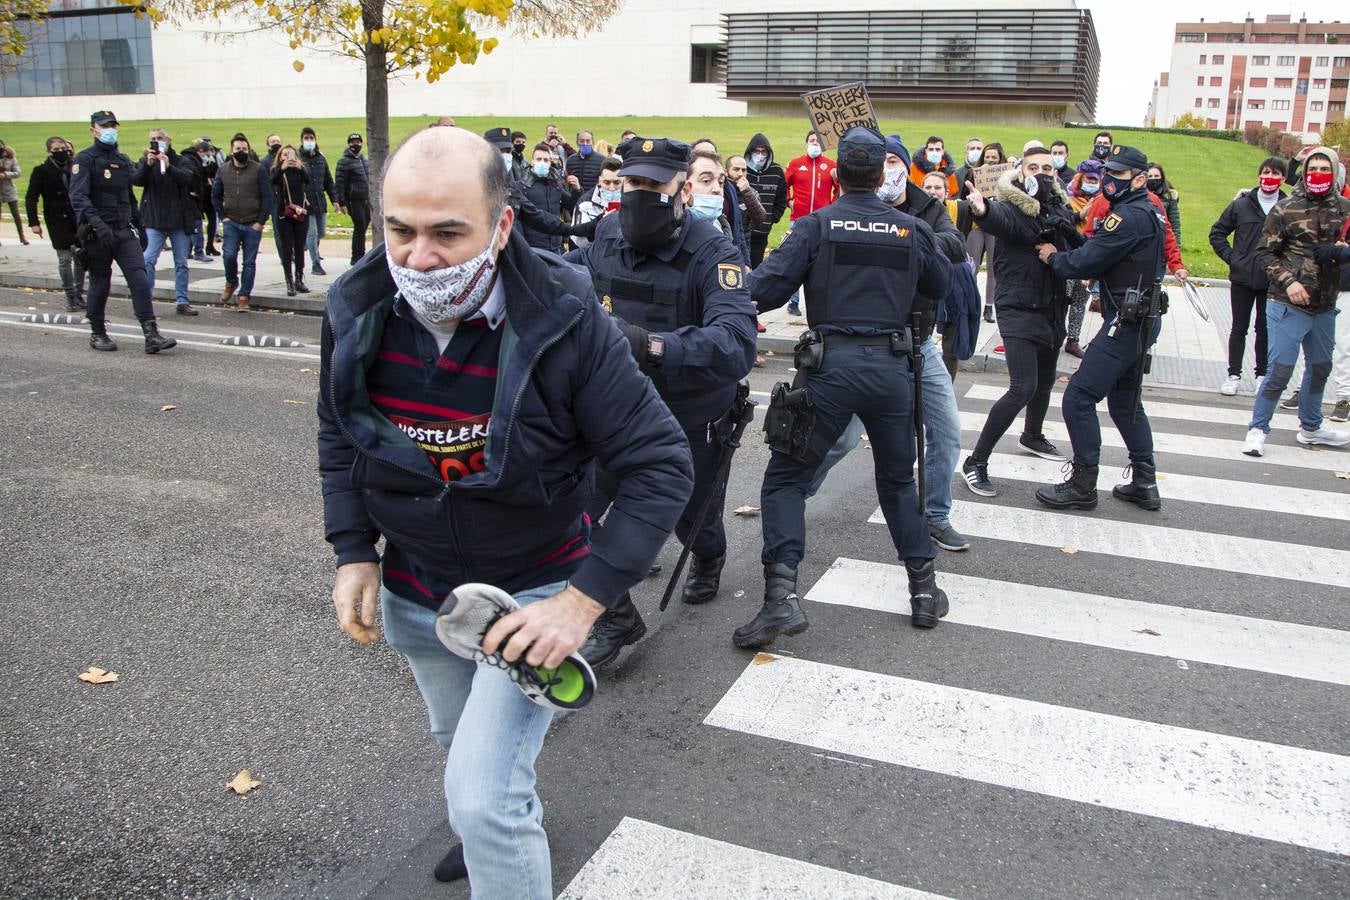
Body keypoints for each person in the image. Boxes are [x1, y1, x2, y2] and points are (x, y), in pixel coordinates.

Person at [318, 124, 692, 898]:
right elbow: (337, 428)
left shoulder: (565, 317)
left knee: (486, 802)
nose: (418, 258)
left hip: (530, 594)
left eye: (448, 233)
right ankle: (494, 819)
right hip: (418, 590)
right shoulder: (355, 305)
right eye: (400, 230)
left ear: (503, 225)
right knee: (460, 751)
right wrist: (353, 547)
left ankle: (495, 827)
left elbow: (660, 464)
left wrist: (581, 604)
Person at [736, 126, 953, 646]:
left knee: (786, 481)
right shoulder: (910, 229)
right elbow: (941, 286)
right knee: (899, 482)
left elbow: (763, 290)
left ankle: (781, 598)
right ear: (883, 174)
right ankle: (924, 590)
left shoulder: (815, 226)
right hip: (893, 371)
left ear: (836, 172)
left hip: (830, 371)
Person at [564, 136, 757, 668]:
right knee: (564, 514)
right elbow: (567, 280)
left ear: (681, 193)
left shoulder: (714, 253)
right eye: (632, 183)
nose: (640, 194)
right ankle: (617, 614)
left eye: (654, 185)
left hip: (687, 418)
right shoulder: (606, 234)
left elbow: (738, 343)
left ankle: (709, 555)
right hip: (611, 411)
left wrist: (651, 344)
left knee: (694, 522)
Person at [806, 133, 972, 553]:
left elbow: (953, 245)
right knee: (841, 438)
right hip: (871, 346)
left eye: (899, 164)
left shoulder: (926, 208)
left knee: (947, 431)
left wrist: (908, 239)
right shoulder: (854, 210)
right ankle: (797, 488)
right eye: (888, 164)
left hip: (920, 342)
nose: (891, 173)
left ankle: (935, 514)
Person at [1033, 145, 1167, 511]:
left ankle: (1082, 484)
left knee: (1078, 397)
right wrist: (1074, 235)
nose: (1109, 182)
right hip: (1141, 320)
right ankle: (1145, 482)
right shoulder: (1148, 211)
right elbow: (1108, 252)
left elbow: (1087, 261)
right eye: (1108, 173)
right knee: (1125, 402)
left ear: (1139, 179)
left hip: (1125, 322)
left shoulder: (1128, 217)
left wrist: (1053, 257)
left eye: (1118, 176)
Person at [961, 145, 1082, 497]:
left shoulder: (1060, 207)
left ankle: (1032, 435)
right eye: (1034, 167)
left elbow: (1075, 247)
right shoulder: (1014, 205)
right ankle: (976, 461)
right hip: (1018, 306)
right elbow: (999, 218)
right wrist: (982, 212)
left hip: (1053, 306)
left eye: (1048, 166)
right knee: (1022, 387)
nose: (1043, 172)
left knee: (1044, 382)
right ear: (1022, 172)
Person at [1242, 147, 1350, 456]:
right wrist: (1288, 282)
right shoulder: (1285, 208)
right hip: (1287, 303)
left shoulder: (1344, 208)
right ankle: (1258, 429)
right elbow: (1263, 252)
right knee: (1280, 370)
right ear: (1303, 172)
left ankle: (1311, 427)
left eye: (1325, 168)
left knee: (1320, 367)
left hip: (1325, 304)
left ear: (1335, 174)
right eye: (1312, 167)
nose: (1318, 173)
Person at [68, 110, 177, 354]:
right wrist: (97, 224)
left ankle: (151, 334)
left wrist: (140, 224)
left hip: (123, 230)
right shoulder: (85, 159)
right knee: (100, 282)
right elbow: (78, 197)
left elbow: (132, 187)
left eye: (112, 125)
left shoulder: (121, 158)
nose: (109, 129)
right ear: (93, 129)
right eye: (104, 125)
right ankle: (97, 332)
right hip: (97, 233)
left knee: (139, 279)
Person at [1209, 157, 1287, 395]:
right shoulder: (1242, 205)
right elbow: (1218, 233)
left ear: (1283, 178)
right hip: (1243, 277)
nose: (1269, 177)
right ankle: (1233, 374)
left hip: (1271, 278)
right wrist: (1233, 258)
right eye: (1265, 172)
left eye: (1275, 173)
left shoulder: (1288, 206)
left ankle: (1262, 374)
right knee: (1238, 327)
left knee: (1264, 328)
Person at [133, 128, 199, 316]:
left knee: (181, 262)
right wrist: (148, 164)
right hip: (155, 219)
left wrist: (169, 167)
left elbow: (188, 179)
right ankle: (146, 298)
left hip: (178, 220)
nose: (156, 141)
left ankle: (182, 300)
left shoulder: (181, 160)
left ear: (168, 140)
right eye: (153, 139)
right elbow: (136, 180)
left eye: (160, 138)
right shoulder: (146, 160)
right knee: (148, 259)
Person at [211, 132, 274, 312]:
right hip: (231, 221)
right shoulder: (223, 170)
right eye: (238, 148)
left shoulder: (258, 169)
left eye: (244, 149)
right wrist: (223, 216)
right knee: (229, 255)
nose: (242, 151)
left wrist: (261, 221)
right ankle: (231, 281)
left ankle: (244, 296)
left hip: (252, 222)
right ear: (231, 150)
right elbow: (215, 194)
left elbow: (267, 196)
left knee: (249, 262)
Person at [25, 137, 86, 311]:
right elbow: (31, 197)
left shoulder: (75, 168)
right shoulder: (41, 171)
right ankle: (70, 296)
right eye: (57, 149)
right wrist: (34, 222)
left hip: (77, 219)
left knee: (81, 257)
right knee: (65, 259)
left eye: (64, 148)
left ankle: (79, 293)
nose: (62, 152)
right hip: (57, 220)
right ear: (49, 151)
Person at [783, 131, 838, 315]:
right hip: (798, 220)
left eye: (818, 141)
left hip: (823, 221)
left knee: (822, 262)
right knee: (794, 261)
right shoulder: (796, 164)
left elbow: (839, 189)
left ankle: (821, 302)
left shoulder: (831, 165)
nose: (815, 143)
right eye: (812, 140)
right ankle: (793, 302)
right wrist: (789, 200)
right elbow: (783, 185)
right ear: (806, 143)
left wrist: (832, 206)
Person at [1062, 158, 1105, 358]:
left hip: (1089, 256)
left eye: (1096, 180)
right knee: (1063, 298)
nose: (1092, 183)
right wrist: (1081, 214)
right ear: (1080, 179)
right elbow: (1062, 224)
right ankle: (1057, 334)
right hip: (1069, 255)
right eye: (1088, 179)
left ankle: (1073, 340)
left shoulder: (1103, 201)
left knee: (1080, 300)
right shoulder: (1067, 199)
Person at [967, 142, 1005, 323]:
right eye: (987, 157)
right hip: (975, 226)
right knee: (972, 266)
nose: (990, 161)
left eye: (994, 158)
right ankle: (969, 302)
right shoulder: (972, 173)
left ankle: (989, 307)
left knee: (992, 267)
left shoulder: (1006, 178)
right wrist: (978, 177)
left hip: (994, 227)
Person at [519, 142, 577, 253]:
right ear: (532, 162)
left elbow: (571, 204)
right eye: (539, 159)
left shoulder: (555, 184)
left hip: (555, 244)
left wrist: (577, 190)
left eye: (546, 160)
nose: (542, 163)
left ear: (550, 163)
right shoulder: (523, 186)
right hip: (533, 246)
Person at [271, 144, 311, 297]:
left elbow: (308, 181)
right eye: (285, 155)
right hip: (284, 214)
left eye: (292, 155)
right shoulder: (278, 171)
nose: (289, 158)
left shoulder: (300, 171)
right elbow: (273, 181)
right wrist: (282, 168)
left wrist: (300, 167)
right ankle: (289, 280)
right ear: (280, 157)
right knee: (287, 248)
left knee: (300, 246)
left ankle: (299, 278)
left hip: (300, 212)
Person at [743, 132, 788, 268]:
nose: (760, 155)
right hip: (742, 234)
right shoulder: (741, 169)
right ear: (750, 152)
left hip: (762, 233)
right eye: (757, 151)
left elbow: (781, 199)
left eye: (764, 152)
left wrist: (771, 219)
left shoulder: (776, 171)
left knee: (756, 269)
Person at [299, 126, 337, 276]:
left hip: (320, 201)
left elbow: (328, 180)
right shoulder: (298, 158)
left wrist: (335, 199)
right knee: (312, 233)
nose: (309, 141)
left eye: (311, 138)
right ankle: (316, 264)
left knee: (321, 232)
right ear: (301, 140)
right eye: (306, 138)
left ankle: (306, 246)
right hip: (306, 203)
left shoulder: (321, 158)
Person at [334, 132, 371, 265]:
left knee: (365, 224)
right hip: (353, 199)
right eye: (353, 142)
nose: (356, 144)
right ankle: (357, 256)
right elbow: (340, 183)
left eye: (358, 142)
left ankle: (359, 252)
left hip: (366, 198)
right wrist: (341, 201)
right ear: (348, 144)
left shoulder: (364, 159)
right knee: (359, 225)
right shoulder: (344, 161)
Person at [570, 157, 622, 247]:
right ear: (600, 180)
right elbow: (577, 239)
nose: (612, 187)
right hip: (595, 256)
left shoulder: (632, 200)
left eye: (617, 182)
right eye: (607, 182)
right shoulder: (585, 203)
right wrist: (601, 223)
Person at [193, 137, 220, 256]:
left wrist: (209, 161)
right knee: (196, 221)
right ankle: (194, 248)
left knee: (212, 220)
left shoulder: (210, 160)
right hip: (199, 193)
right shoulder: (193, 161)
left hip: (209, 192)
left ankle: (210, 245)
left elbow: (214, 173)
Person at [0, 139, 28, 245]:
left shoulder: (11, 158)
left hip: (9, 189)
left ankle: (22, 236)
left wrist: (6, 174)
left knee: (16, 214)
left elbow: (18, 173)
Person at [564, 131, 606, 198]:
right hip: (576, 199)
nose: (585, 143)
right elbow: (567, 182)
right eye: (582, 141)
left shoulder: (602, 160)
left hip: (594, 199)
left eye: (588, 141)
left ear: (593, 142)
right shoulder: (570, 160)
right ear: (577, 143)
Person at [1147, 163, 1181, 243]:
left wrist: (1177, 246)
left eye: (1156, 176)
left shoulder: (1170, 196)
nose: (1153, 179)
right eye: (1150, 176)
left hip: (1163, 238)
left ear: (1162, 177)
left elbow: (1175, 223)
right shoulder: (1138, 195)